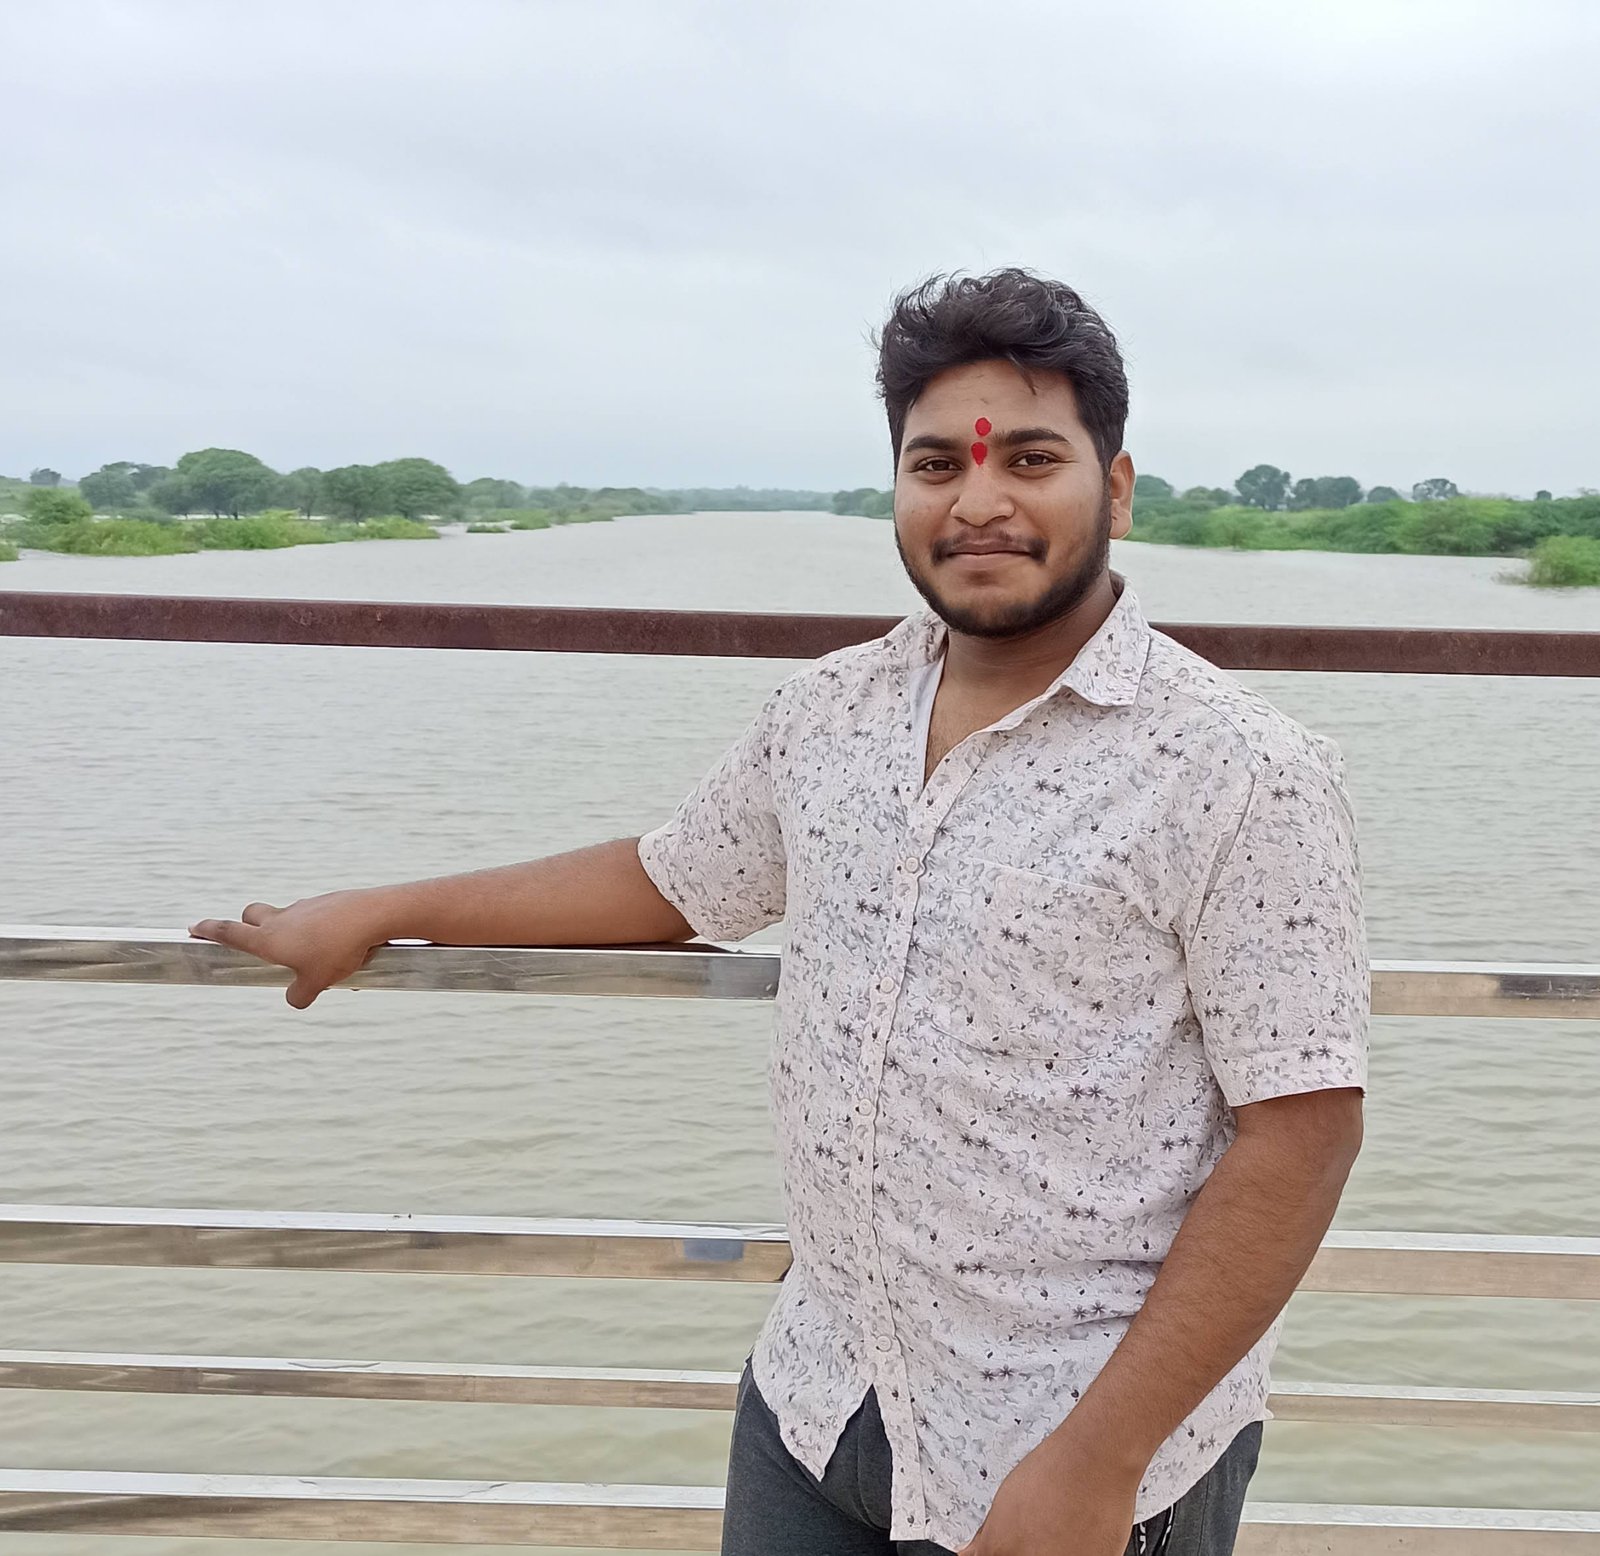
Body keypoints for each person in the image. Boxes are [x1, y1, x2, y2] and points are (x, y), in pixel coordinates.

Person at [190, 268, 1368, 1556]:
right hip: (819, 1402)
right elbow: (673, 882)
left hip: (1071, 1445)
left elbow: (1300, 1137)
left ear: (1118, 489)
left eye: (1031, 459)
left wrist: (1099, 1462)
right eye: (936, 464)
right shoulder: (831, 713)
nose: (978, 501)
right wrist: (384, 907)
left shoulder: (1241, 771)